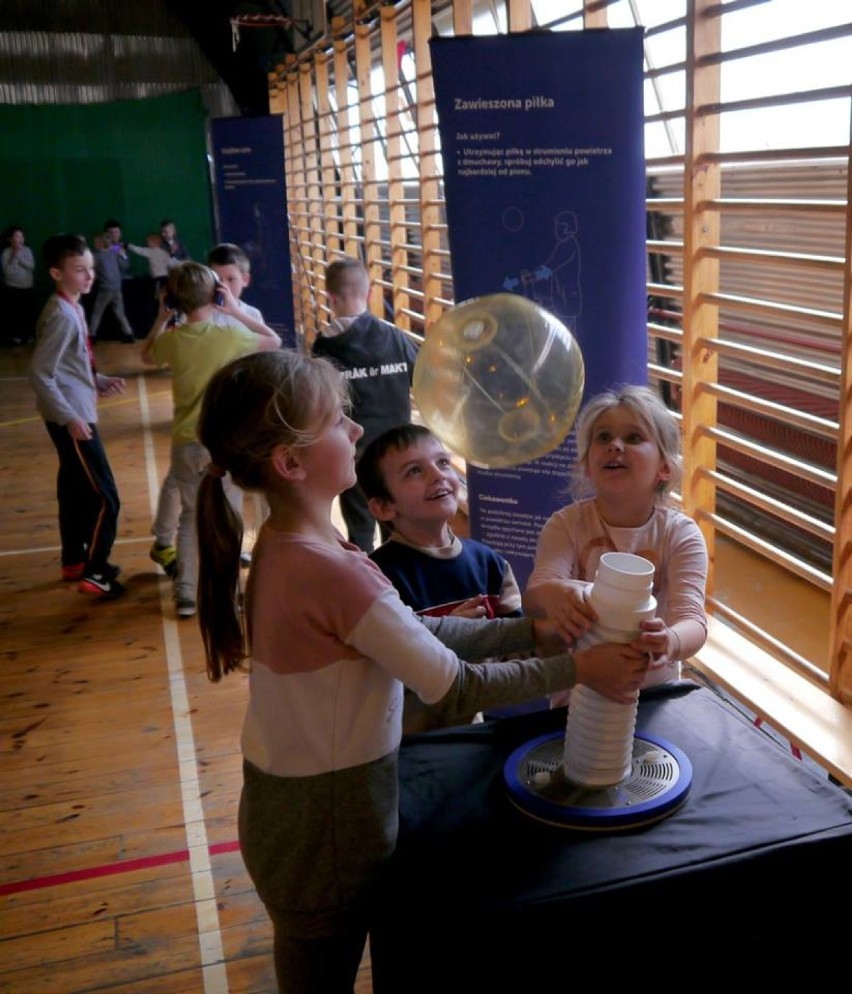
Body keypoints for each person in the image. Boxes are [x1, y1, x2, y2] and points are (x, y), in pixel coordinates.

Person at [193, 349, 648, 994]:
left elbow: (415, 632)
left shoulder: (302, 544)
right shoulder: (326, 566)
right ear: (291, 463)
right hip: (322, 825)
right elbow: (453, 683)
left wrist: (533, 630)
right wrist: (579, 666)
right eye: (337, 421)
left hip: (299, 810)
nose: (355, 430)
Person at [523, 384, 709, 705]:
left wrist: (670, 642)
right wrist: (555, 594)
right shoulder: (565, 525)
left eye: (633, 438)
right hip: (578, 694)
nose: (615, 446)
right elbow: (537, 594)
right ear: (586, 464)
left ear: (664, 468)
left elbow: (692, 620)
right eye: (603, 437)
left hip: (655, 695)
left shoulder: (681, 535)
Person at [357, 422, 526, 732]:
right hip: (401, 741)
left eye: (443, 462)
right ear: (383, 507)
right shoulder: (375, 579)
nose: (439, 475)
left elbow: (519, 649)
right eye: (415, 471)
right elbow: (375, 674)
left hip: (471, 727)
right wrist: (447, 639)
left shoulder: (492, 565)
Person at [141, 261, 280, 618]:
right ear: (216, 293)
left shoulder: (172, 340)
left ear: (173, 300)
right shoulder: (230, 336)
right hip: (222, 442)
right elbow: (273, 340)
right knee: (228, 518)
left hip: (185, 442)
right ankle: (230, 592)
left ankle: (186, 594)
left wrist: (161, 318)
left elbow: (147, 355)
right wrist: (233, 309)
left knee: (190, 516)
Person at [28, 233, 126, 598]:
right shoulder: (63, 317)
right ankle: (97, 572)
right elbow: (40, 373)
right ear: (56, 273)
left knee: (72, 491)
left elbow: (69, 364)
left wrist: (96, 380)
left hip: (72, 410)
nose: (89, 277)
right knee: (105, 497)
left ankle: (74, 561)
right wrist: (69, 417)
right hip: (73, 419)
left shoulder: (73, 308)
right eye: (80, 270)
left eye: (91, 269)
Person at [311, 256, 419, 553]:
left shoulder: (324, 347)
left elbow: (320, 403)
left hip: (353, 455)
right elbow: (423, 379)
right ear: (370, 293)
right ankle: (400, 592)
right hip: (398, 454)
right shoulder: (396, 338)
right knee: (397, 528)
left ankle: (365, 588)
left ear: (330, 298)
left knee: (360, 531)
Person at [88, 231, 134, 343]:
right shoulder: (113, 252)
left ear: (99, 243)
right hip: (117, 287)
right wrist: (123, 254)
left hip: (106, 288)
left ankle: (92, 335)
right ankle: (128, 334)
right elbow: (126, 265)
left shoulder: (96, 256)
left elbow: (91, 269)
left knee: (97, 312)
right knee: (119, 312)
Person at [2, 225, 36, 345]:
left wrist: (20, 258)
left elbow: (31, 266)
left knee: (27, 312)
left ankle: (28, 335)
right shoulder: (6, 252)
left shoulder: (27, 250)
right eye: (16, 236)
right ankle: (16, 336)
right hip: (13, 287)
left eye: (21, 236)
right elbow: (7, 272)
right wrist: (14, 256)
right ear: (10, 239)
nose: (19, 239)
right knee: (15, 313)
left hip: (27, 287)